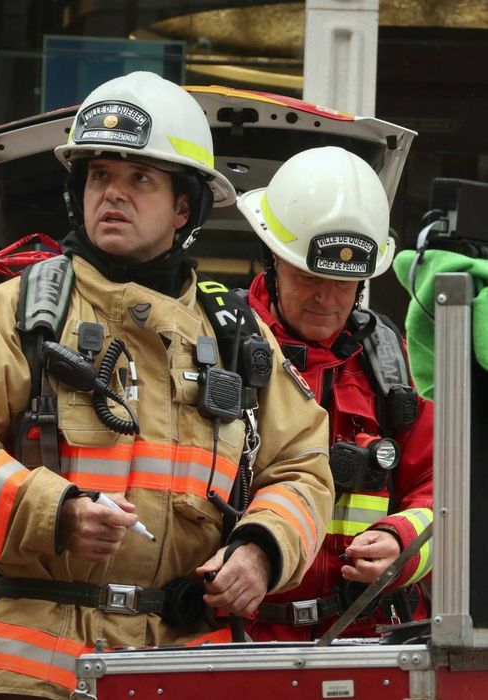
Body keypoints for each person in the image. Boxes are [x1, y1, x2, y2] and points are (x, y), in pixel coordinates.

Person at [0, 71, 335, 699]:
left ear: (184, 206)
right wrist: (54, 513)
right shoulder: (22, 311)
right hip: (35, 672)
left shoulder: (237, 335)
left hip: (186, 667)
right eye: (100, 176)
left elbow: (302, 467)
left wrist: (260, 550)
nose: (114, 193)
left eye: (140, 179)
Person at [238, 146, 434, 640]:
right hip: (234, 640)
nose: (327, 298)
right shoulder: (219, 347)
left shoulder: (391, 365)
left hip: (365, 640)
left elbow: (447, 488)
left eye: (345, 282)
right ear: (272, 262)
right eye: (309, 276)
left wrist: (402, 540)